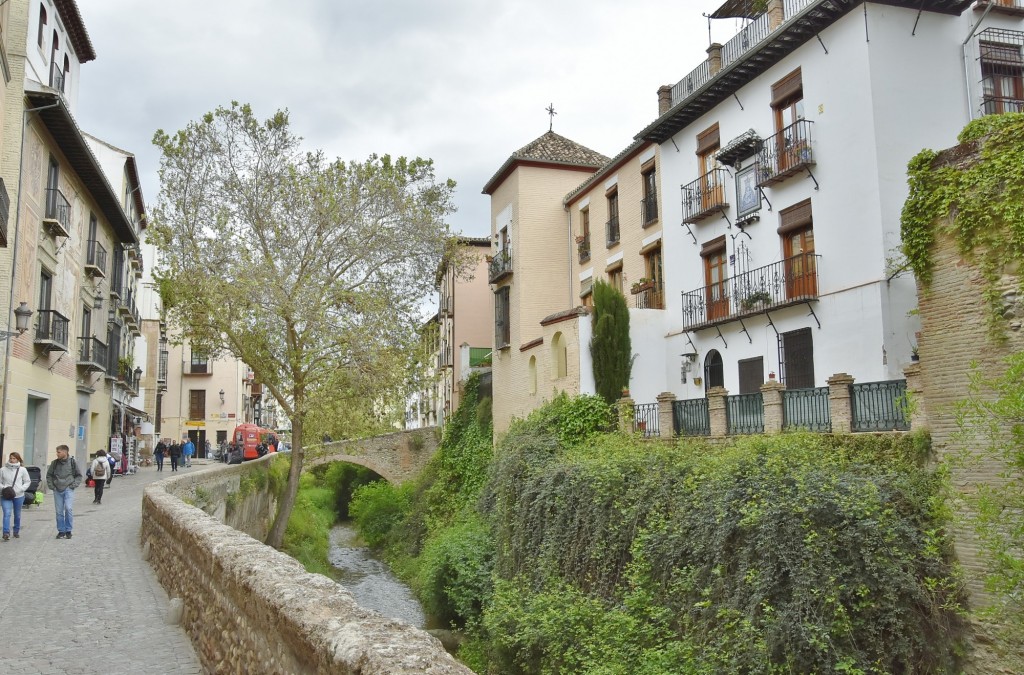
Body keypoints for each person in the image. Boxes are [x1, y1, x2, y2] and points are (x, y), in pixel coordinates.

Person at [46, 445, 82, 539]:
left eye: (59, 452)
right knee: (59, 511)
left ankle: (68, 530)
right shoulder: (54, 463)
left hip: (68, 489)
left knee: (68, 508)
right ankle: (61, 531)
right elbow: (49, 475)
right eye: (57, 452)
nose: (57, 454)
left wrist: (73, 486)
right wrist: (52, 486)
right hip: (57, 489)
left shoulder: (72, 462)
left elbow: (79, 476)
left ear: (65, 452)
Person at [1, 451, 32, 541]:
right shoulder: (3, 469)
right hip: (6, 495)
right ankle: (6, 533)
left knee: (17, 514)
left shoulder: (22, 470)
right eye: (11, 458)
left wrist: (21, 489)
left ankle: (16, 531)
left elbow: (27, 481)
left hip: (18, 495)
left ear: (18, 459)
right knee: (7, 513)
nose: (12, 460)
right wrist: (4, 488)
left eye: (14, 458)